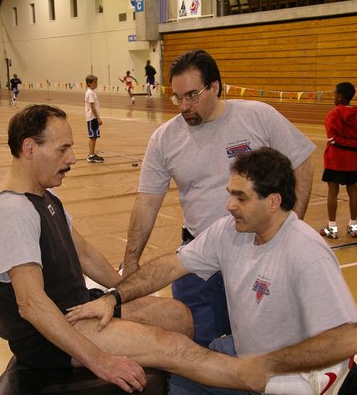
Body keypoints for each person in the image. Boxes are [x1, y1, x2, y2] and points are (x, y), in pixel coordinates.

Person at [0, 104, 284, 394]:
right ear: (29, 148)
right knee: (171, 347)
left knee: (178, 315)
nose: (72, 158)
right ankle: (260, 379)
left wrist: (122, 294)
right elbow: (31, 304)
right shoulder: (10, 212)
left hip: (77, 308)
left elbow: (85, 255)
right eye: (63, 149)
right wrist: (100, 360)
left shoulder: (44, 198)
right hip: (48, 336)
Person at [68, 147, 357, 395]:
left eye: (241, 197)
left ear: (273, 201)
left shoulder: (306, 251)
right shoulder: (231, 232)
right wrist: (113, 297)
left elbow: (344, 341)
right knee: (180, 380)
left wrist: (269, 364)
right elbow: (170, 266)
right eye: (230, 194)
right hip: (244, 357)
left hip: (293, 375)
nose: (229, 205)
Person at [122, 49, 315, 347]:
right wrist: (131, 262)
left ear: (214, 87)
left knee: (263, 346)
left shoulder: (257, 116)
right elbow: (147, 202)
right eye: (177, 97)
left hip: (259, 255)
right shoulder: (164, 139)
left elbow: (302, 161)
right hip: (200, 256)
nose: (183, 106)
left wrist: (292, 225)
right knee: (196, 345)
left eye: (192, 95)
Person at [319, 82, 357, 239]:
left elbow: (332, 139)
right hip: (351, 161)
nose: (334, 97)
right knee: (352, 190)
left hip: (334, 159)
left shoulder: (333, 114)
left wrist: (349, 144)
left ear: (340, 97)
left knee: (332, 191)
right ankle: (354, 226)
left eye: (334, 94)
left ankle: (332, 228)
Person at [84, 75, 105, 163]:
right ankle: (91, 155)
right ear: (89, 83)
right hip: (92, 118)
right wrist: (98, 118)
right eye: (95, 82)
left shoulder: (90, 92)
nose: (96, 84)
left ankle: (91, 153)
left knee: (93, 136)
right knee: (93, 136)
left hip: (91, 118)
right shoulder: (90, 93)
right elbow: (92, 106)